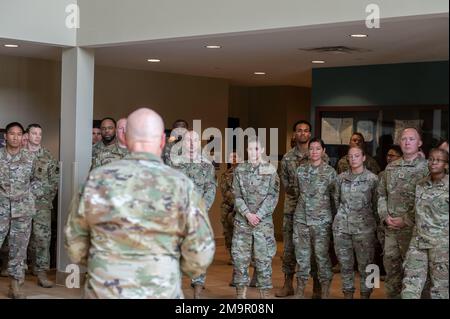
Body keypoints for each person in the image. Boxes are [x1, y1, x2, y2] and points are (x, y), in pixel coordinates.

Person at [64, 108, 215, 299]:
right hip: (160, 290)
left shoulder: (96, 180)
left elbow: (74, 244)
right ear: (162, 140)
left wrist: (104, 261)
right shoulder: (181, 185)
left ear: (125, 139)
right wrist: (168, 265)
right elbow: (200, 254)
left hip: (105, 290)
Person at [378, 127, 429, 299]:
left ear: (419, 143)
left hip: (414, 232)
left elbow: (428, 202)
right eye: (404, 139)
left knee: (415, 278)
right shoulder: (390, 168)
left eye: (412, 139)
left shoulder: (427, 168)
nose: (407, 142)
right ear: (400, 142)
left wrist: (406, 220)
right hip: (391, 230)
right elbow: (381, 194)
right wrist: (385, 216)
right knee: (392, 275)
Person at [277, 120, 324, 298]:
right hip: (292, 208)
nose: (303, 133)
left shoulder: (321, 156)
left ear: (310, 134)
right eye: (299, 131)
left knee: (316, 249)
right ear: (294, 134)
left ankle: (317, 287)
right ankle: (288, 283)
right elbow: (286, 184)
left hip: (315, 211)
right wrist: (303, 193)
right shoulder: (288, 158)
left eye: (306, 131)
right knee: (289, 248)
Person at [169, 130, 216, 298]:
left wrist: (202, 209)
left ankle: (198, 286)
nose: (190, 144)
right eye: (188, 140)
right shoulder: (173, 162)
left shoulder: (206, 164)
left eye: (194, 140)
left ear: (199, 143)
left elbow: (211, 188)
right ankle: (175, 287)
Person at [232, 137, 280, 299]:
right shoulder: (239, 170)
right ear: (247, 150)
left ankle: (264, 296)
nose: (253, 152)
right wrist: (247, 214)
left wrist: (257, 216)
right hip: (243, 222)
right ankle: (241, 295)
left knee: (264, 260)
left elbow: (272, 197)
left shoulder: (270, 170)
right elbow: (236, 195)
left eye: (256, 149)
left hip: (263, 224)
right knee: (240, 259)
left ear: (262, 150)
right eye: (250, 149)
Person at [0, 122, 42, 299]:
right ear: (5, 136)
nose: (15, 137)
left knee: (19, 249)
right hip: (1, 208)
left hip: (22, 210)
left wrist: (28, 196)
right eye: (12, 134)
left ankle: (15, 286)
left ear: (22, 137)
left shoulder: (30, 157)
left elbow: (38, 181)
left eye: (19, 134)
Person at [401, 148, 448, 299]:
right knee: (409, 288)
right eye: (431, 159)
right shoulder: (420, 184)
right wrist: (400, 221)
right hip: (418, 242)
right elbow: (416, 212)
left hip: (440, 246)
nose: (433, 162)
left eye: (438, 160)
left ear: (446, 165)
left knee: (439, 291)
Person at [333, 146, 379, 299]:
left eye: (357, 156)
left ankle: (367, 294)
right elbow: (336, 201)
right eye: (350, 156)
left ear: (364, 158)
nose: (353, 159)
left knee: (368, 265)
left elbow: (376, 205)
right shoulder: (340, 178)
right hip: (342, 228)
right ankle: (348, 294)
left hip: (365, 229)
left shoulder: (373, 179)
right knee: (345, 265)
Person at [293, 138, 336, 299]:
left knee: (321, 257)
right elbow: (297, 192)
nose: (314, 152)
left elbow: (334, 198)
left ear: (323, 151)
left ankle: (324, 292)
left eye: (318, 149)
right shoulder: (300, 171)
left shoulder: (330, 173)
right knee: (302, 257)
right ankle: (300, 291)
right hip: (301, 220)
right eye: (311, 149)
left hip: (322, 222)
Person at [25, 124, 59, 288]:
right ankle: (19, 271)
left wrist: (46, 199)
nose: (37, 136)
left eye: (40, 134)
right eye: (34, 133)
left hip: (42, 205)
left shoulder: (47, 156)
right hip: (21, 205)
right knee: (20, 238)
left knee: (42, 238)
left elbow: (54, 181)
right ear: (27, 135)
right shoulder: (20, 154)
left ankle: (42, 272)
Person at [377, 145, 403, 266]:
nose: (389, 158)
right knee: (389, 259)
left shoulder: (417, 170)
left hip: (406, 224)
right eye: (387, 155)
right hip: (387, 222)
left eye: (392, 155)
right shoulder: (384, 173)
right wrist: (385, 217)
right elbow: (380, 197)